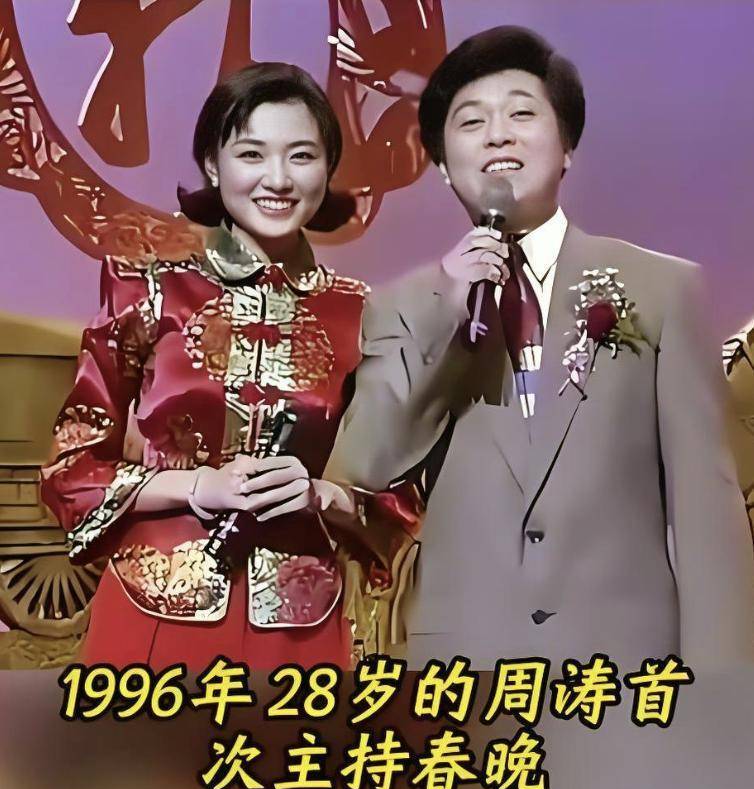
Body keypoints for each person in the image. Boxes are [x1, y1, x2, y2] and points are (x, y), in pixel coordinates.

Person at [321, 26, 754, 670]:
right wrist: (446, 308)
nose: (498, 135)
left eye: (522, 114)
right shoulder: (402, 306)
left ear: (567, 146)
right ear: (440, 165)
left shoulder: (660, 290)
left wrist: (722, 683)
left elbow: (706, 507)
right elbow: (364, 464)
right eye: (472, 122)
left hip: (625, 669)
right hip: (464, 671)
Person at [41, 62, 393, 670]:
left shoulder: (362, 314)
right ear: (213, 164)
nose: (277, 179)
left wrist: (321, 494)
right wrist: (196, 486)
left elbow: (398, 493)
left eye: (302, 156)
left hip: (301, 618)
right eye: (252, 154)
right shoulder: (149, 292)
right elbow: (72, 467)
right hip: (154, 609)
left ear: (329, 167)